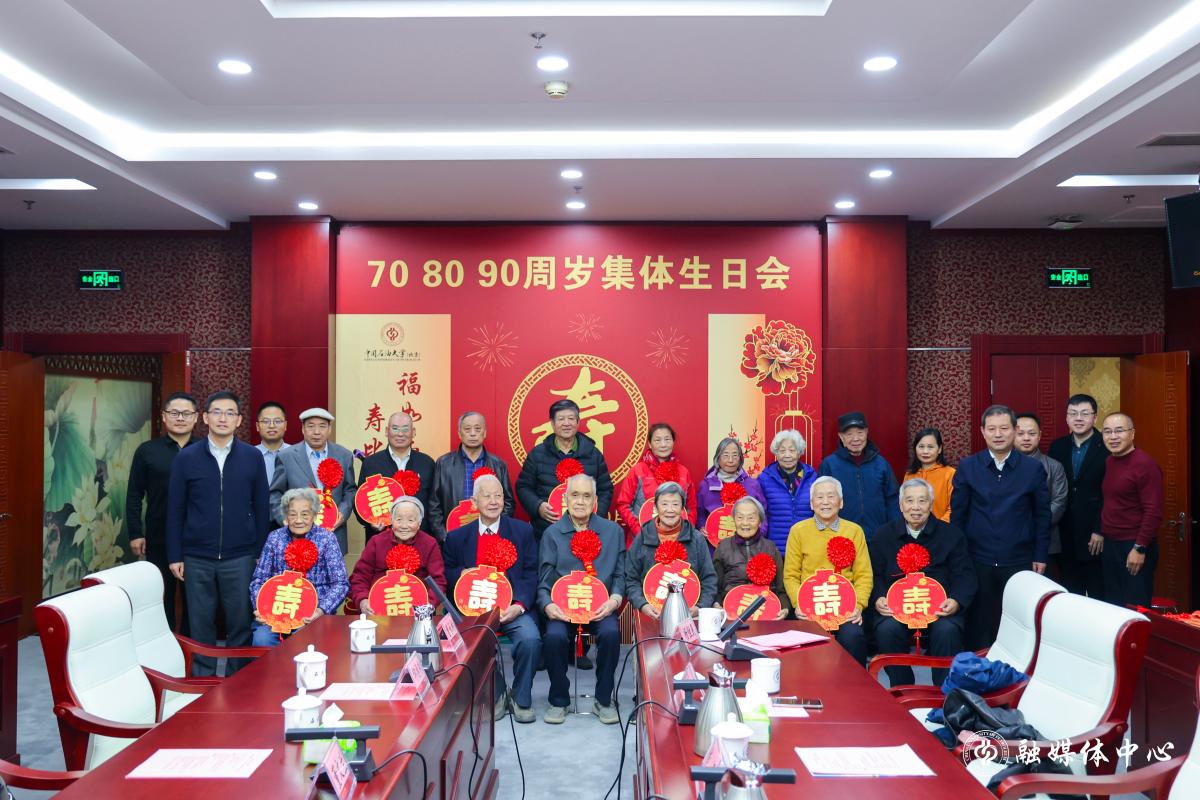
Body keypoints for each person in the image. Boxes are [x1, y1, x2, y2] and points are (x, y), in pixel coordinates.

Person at [165, 391, 269, 676]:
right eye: (217, 412)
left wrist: (259, 552)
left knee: (240, 622)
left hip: (241, 556)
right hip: (197, 555)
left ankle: (238, 680)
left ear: (239, 420)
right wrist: (175, 554)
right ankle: (203, 680)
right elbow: (175, 509)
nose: (223, 418)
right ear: (205, 417)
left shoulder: (252, 457)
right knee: (201, 623)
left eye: (230, 413)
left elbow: (261, 507)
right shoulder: (187, 458)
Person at [443, 473, 541, 723]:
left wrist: (519, 606)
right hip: (474, 610)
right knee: (469, 642)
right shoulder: (457, 537)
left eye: (498, 496)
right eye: (487, 496)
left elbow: (531, 573)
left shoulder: (522, 531)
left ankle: (521, 698)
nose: (494, 501)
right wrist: (461, 575)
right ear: (474, 502)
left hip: (511, 609)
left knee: (530, 639)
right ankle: (497, 693)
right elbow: (448, 572)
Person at [951, 405, 1051, 649]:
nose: (998, 434)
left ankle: (1016, 670)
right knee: (979, 622)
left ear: (1014, 430)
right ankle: (977, 668)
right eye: (992, 429)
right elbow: (958, 515)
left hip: (1019, 558)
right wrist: (959, 557)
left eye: (1004, 428)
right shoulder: (968, 466)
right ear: (982, 431)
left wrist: (1040, 554)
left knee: (1019, 621)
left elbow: (1042, 515)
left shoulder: (1032, 469)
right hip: (977, 558)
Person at [869, 478, 977, 686]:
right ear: (901, 505)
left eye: (922, 501)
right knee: (887, 629)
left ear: (931, 504)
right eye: (909, 501)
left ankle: (944, 692)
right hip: (897, 609)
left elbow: (965, 575)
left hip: (939, 608)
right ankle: (902, 688)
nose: (916, 507)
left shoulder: (951, 535)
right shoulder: (884, 535)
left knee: (947, 630)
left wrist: (956, 601)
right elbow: (874, 574)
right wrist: (879, 598)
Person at [538, 474, 625, 725]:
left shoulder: (612, 532)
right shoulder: (552, 534)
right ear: (565, 499)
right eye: (574, 495)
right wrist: (548, 604)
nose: (580, 501)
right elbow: (543, 581)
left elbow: (620, 574)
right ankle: (559, 700)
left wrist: (614, 599)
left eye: (587, 496)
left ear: (595, 500)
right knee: (554, 636)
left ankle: (604, 700)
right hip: (563, 609)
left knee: (610, 634)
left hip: (600, 608)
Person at [126, 391, 199, 634]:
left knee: (194, 597)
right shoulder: (147, 451)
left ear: (196, 417)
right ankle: (162, 642)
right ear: (164, 417)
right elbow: (134, 494)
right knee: (161, 594)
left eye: (186, 413)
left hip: (198, 537)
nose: (180, 418)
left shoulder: (205, 450)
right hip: (159, 535)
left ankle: (191, 646)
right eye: (174, 413)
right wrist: (135, 533)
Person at [782, 476, 872, 665]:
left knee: (853, 635)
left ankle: (854, 682)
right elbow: (791, 575)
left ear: (841, 502)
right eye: (819, 497)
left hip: (845, 606)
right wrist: (799, 603)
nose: (825, 502)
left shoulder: (854, 531)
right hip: (810, 606)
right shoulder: (798, 531)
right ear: (811, 503)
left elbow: (864, 575)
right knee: (806, 644)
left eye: (831, 496)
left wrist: (858, 605)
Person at [249, 487, 348, 646]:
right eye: (293, 514)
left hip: (313, 614)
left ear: (314, 515)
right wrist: (260, 607)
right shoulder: (275, 538)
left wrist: (320, 610)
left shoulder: (327, 539)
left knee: (303, 637)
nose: (298, 520)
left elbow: (341, 584)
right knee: (262, 639)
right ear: (286, 516)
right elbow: (258, 580)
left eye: (305, 514)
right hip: (277, 612)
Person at [516, 399, 614, 542]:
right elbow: (523, 486)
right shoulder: (537, 454)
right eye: (561, 419)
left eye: (571, 419)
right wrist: (538, 506)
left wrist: (595, 515)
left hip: (585, 531)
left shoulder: (593, 454)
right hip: (547, 530)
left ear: (578, 422)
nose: (566, 423)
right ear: (552, 423)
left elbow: (605, 489)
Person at [270, 408, 357, 554]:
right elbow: (275, 494)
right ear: (303, 429)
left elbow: (350, 490)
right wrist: (284, 518)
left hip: (333, 533)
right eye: (311, 426)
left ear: (329, 429)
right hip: (297, 535)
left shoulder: (344, 456)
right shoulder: (286, 457)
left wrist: (342, 513)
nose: (316, 432)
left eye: (322, 426)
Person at [1099, 413, 1164, 608]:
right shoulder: (1109, 461)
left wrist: (1139, 548)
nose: (1113, 436)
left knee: (1134, 608)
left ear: (1132, 433)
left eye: (1119, 431)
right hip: (1111, 544)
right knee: (1113, 606)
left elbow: (1153, 511)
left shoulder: (1145, 464)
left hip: (1134, 545)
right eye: (1107, 432)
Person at [624, 482, 717, 618]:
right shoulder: (643, 537)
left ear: (682, 508)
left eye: (675, 504)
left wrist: (699, 607)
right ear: (655, 507)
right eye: (664, 504)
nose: (670, 510)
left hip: (689, 614)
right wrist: (643, 605)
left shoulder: (696, 538)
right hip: (650, 613)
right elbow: (630, 579)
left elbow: (709, 579)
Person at [1047, 394, 1107, 598]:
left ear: (1095, 417)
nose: (1078, 418)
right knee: (1071, 595)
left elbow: (1110, 494)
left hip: (1095, 534)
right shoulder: (1058, 446)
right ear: (1066, 417)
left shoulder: (1106, 445)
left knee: (1099, 595)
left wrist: (1100, 529)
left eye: (1084, 413)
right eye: (1073, 413)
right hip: (1065, 533)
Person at [350, 497, 447, 613]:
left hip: (418, 610)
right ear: (391, 520)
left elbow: (438, 582)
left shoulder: (429, 543)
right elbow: (360, 577)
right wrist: (363, 600)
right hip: (380, 609)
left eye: (411, 520)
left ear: (419, 523)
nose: (404, 526)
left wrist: (427, 605)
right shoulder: (376, 541)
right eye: (399, 519)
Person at [429, 411, 515, 542]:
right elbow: (434, 505)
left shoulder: (498, 465)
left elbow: (508, 502)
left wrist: (495, 531)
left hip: (489, 536)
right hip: (453, 535)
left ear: (484, 433)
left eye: (478, 429)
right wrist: (444, 537)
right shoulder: (444, 463)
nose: (473, 433)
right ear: (459, 433)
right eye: (467, 429)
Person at [818, 412, 900, 541]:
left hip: (878, 537)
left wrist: (895, 532)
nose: (855, 438)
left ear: (866, 433)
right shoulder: (829, 465)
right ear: (841, 437)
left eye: (860, 433)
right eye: (849, 434)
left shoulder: (881, 464)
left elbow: (893, 500)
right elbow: (821, 503)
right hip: (841, 538)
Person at [614, 423, 698, 545]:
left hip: (677, 541)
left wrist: (685, 533)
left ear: (673, 442)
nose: (663, 444)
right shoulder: (638, 470)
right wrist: (640, 531)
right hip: (643, 541)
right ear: (649, 444)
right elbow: (623, 504)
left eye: (667, 439)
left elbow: (691, 507)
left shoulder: (684, 472)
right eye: (657, 440)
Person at [358, 411, 436, 538]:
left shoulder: (427, 463)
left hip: (420, 538)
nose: (400, 434)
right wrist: (370, 522)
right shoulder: (371, 463)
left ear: (413, 432)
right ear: (386, 431)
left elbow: (435, 504)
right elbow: (360, 503)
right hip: (382, 538)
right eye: (395, 428)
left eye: (405, 429)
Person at [712, 496, 790, 620]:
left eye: (751, 518)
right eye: (740, 517)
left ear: (760, 521)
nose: (745, 523)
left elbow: (781, 588)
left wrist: (785, 608)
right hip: (731, 613)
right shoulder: (723, 547)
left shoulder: (770, 547)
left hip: (766, 613)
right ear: (734, 519)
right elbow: (715, 586)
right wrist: (716, 604)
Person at [1015, 413, 1068, 570]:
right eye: (1020, 433)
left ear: (1039, 436)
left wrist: (1032, 525)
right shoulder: (1001, 465)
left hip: (1045, 542)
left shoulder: (1054, 466)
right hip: (1010, 542)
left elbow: (1059, 502)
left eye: (1031, 433)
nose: (1026, 438)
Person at [757, 429, 818, 555]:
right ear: (776, 453)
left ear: (799, 452)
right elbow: (760, 515)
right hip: (776, 549)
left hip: (806, 547)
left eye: (792, 450)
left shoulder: (812, 477)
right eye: (782, 450)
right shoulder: (764, 479)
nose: (787, 455)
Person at [696, 437, 766, 528]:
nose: (730, 460)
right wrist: (702, 528)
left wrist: (759, 533)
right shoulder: (706, 485)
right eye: (725, 455)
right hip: (715, 536)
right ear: (718, 458)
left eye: (735, 455)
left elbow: (763, 515)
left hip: (748, 536)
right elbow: (700, 515)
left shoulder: (752, 485)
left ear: (740, 459)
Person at [902, 428, 955, 523]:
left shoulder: (950, 473)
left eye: (930, 447)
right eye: (921, 446)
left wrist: (938, 527)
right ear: (915, 448)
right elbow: (904, 504)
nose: (925, 451)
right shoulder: (909, 475)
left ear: (939, 449)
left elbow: (954, 508)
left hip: (942, 527)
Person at [254, 400, 290, 487]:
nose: (272, 426)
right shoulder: (249, 455)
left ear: (285, 425)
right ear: (257, 426)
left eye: (277, 421)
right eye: (266, 421)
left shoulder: (296, 455)